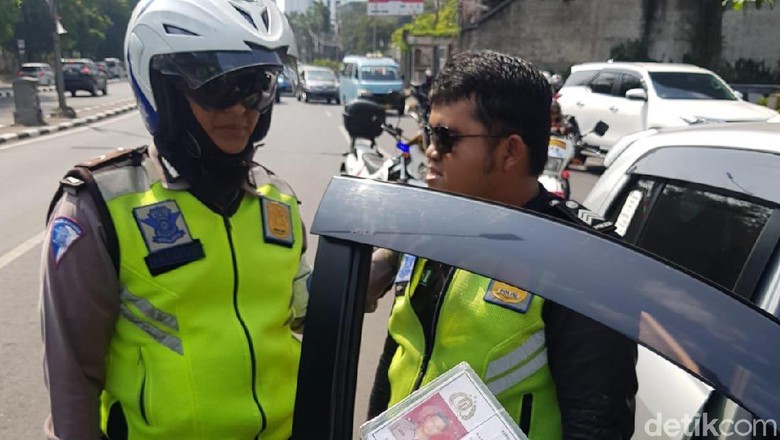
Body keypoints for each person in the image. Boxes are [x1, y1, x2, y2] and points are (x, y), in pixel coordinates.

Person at [40, 0, 310, 439]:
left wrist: (376, 264)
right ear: (162, 88)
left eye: (257, 87)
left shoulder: (276, 201)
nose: (242, 109)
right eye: (220, 88)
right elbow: (72, 376)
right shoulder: (99, 208)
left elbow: (305, 309)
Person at [367, 50, 638, 439]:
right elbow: (397, 356)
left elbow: (597, 425)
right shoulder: (429, 232)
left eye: (446, 138)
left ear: (510, 151)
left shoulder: (581, 261)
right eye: (429, 133)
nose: (429, 151)